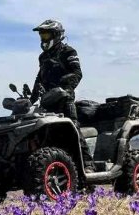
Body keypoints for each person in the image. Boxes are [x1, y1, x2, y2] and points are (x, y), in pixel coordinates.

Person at [30, 19, 93, 170]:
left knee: (74, 130)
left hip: (64, 101)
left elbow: (77, 73)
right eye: (41, 36)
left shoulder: (69, 52)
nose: (43, 39)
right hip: (47, 103)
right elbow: (39, 78)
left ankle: (88, 164)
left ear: (56, 35)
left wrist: (66, 88)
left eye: (46, 35)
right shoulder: (43, 57)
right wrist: (31, 99)